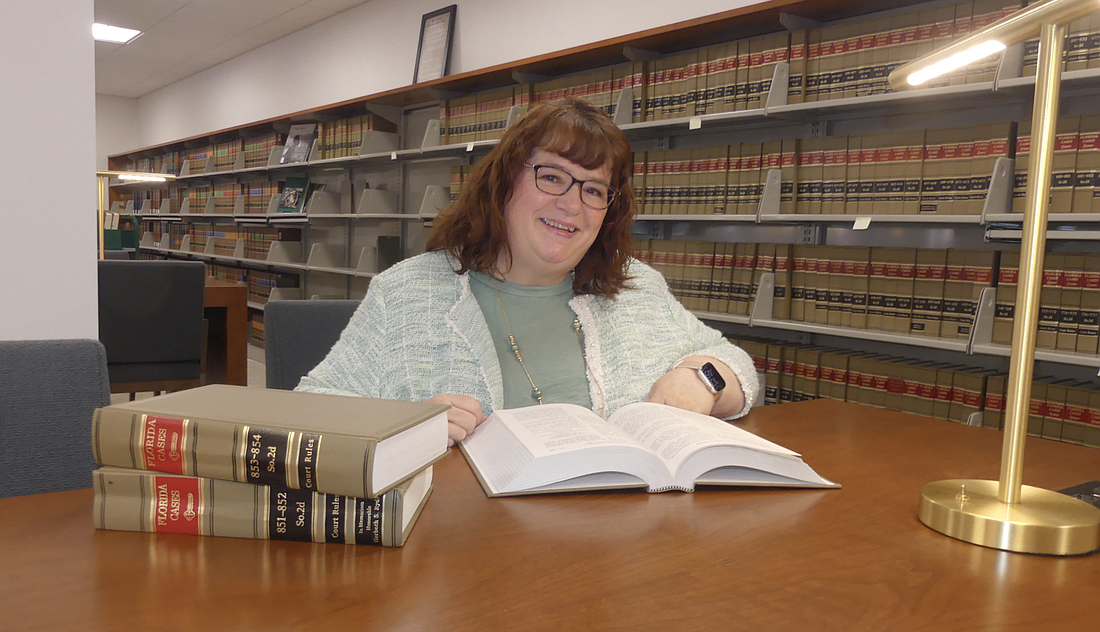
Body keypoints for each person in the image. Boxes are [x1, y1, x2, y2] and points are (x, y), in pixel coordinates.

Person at [296, 97, 759, 446]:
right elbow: (309, 409)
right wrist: (401, 428)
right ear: (504, 182)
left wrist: (704, 379)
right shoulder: (405, 293)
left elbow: (736, 366)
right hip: (465, 548)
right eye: (552, 177)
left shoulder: (635, 288)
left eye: (595, 190)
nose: (572, 204)